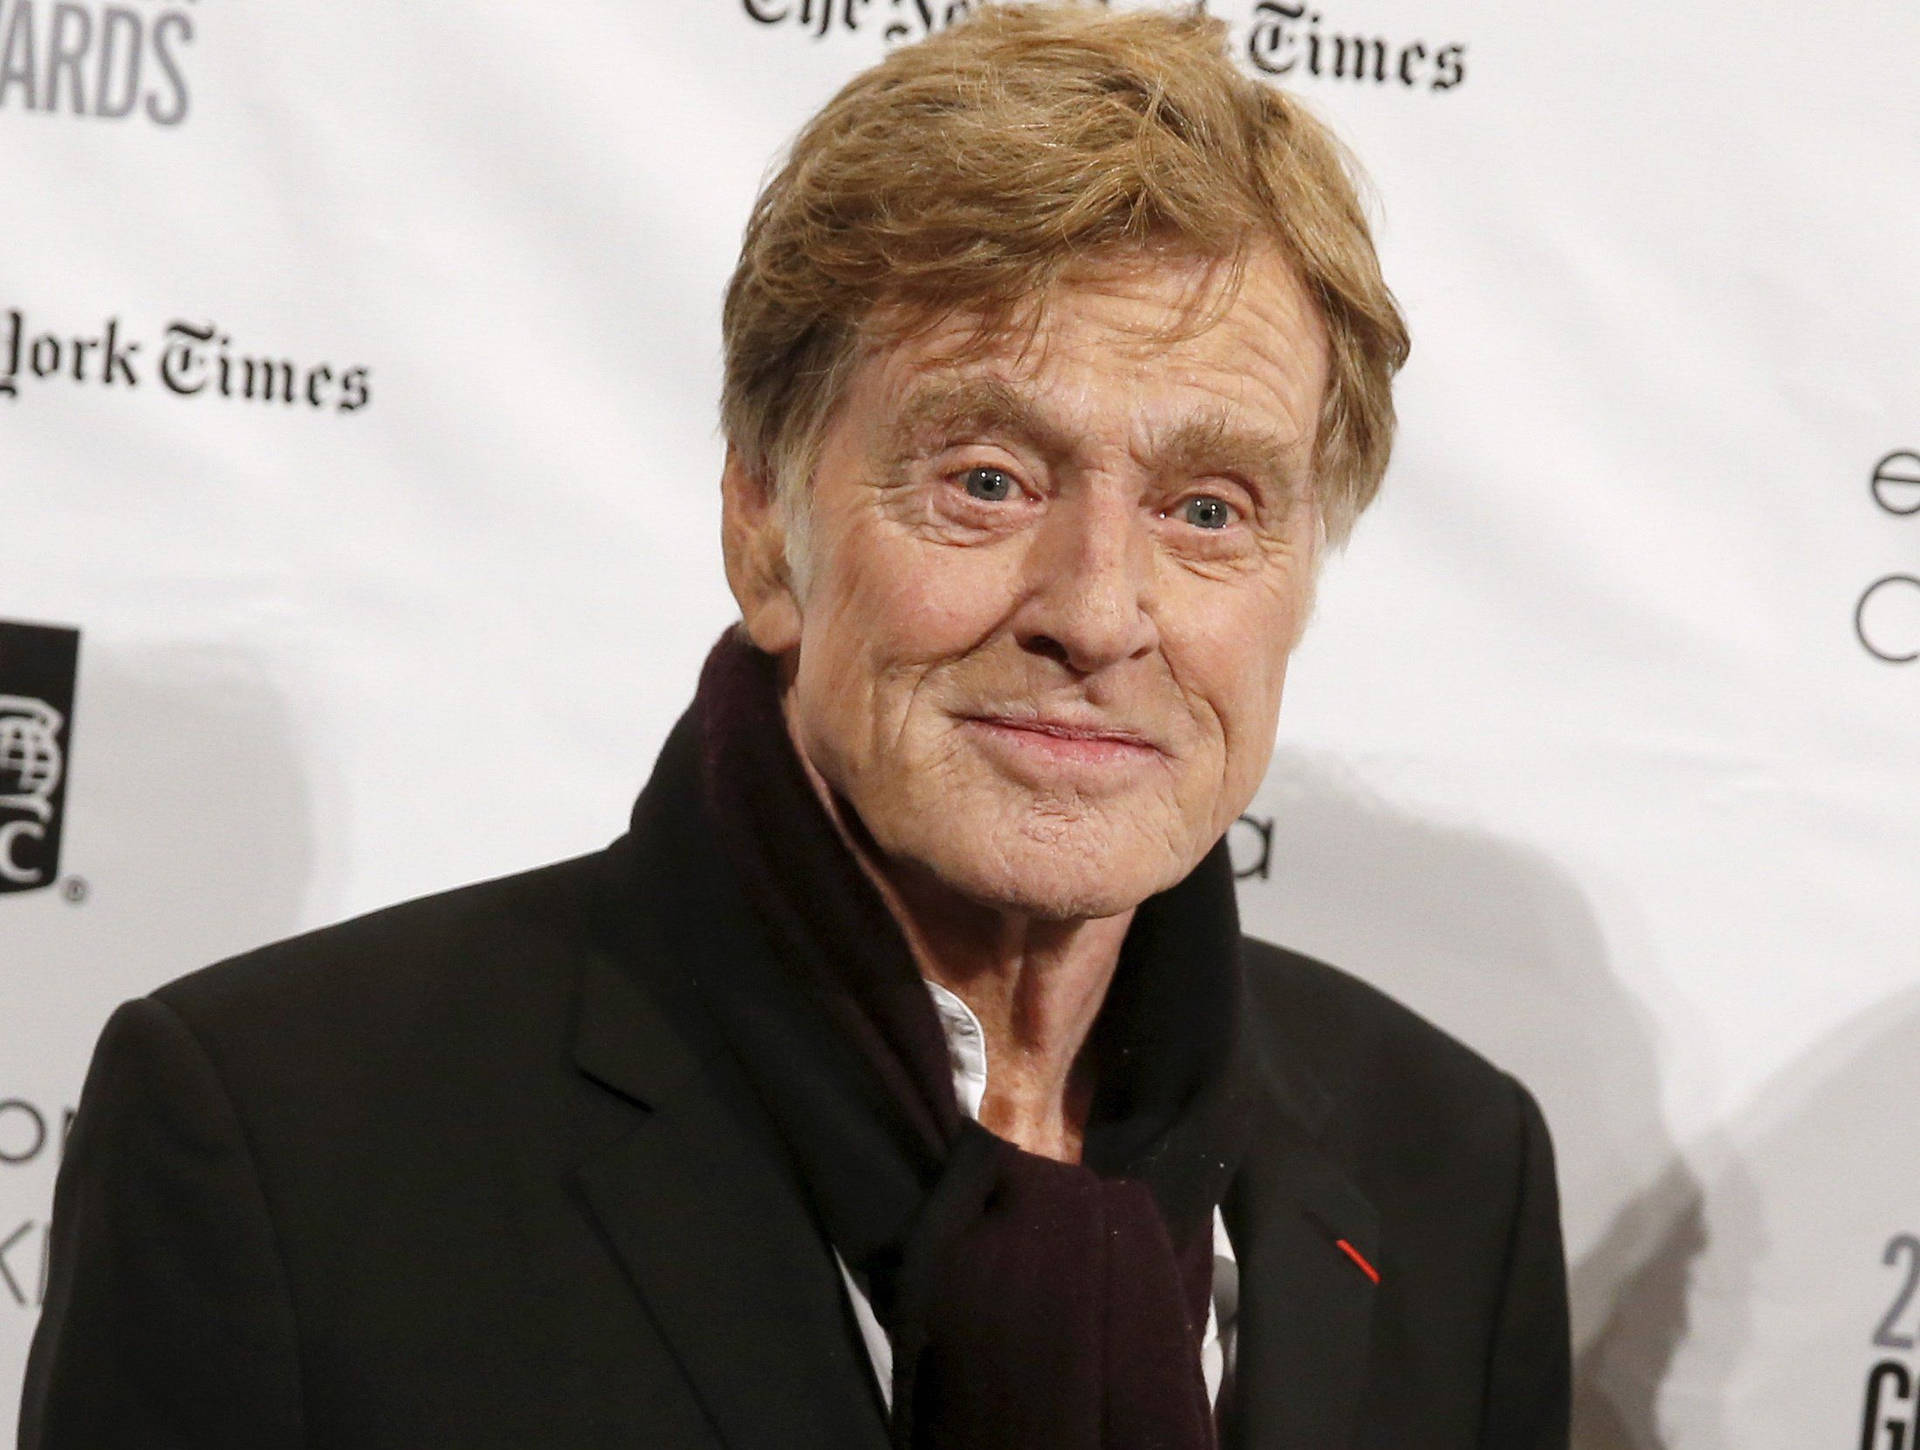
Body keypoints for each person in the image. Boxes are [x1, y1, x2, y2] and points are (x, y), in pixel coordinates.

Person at [19, 5, 1570, 1448]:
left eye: (1209, 508)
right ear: (765, 530)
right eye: (986, 480)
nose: (1099, 611)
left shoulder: (1452, 1173)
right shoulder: (283, 1143)